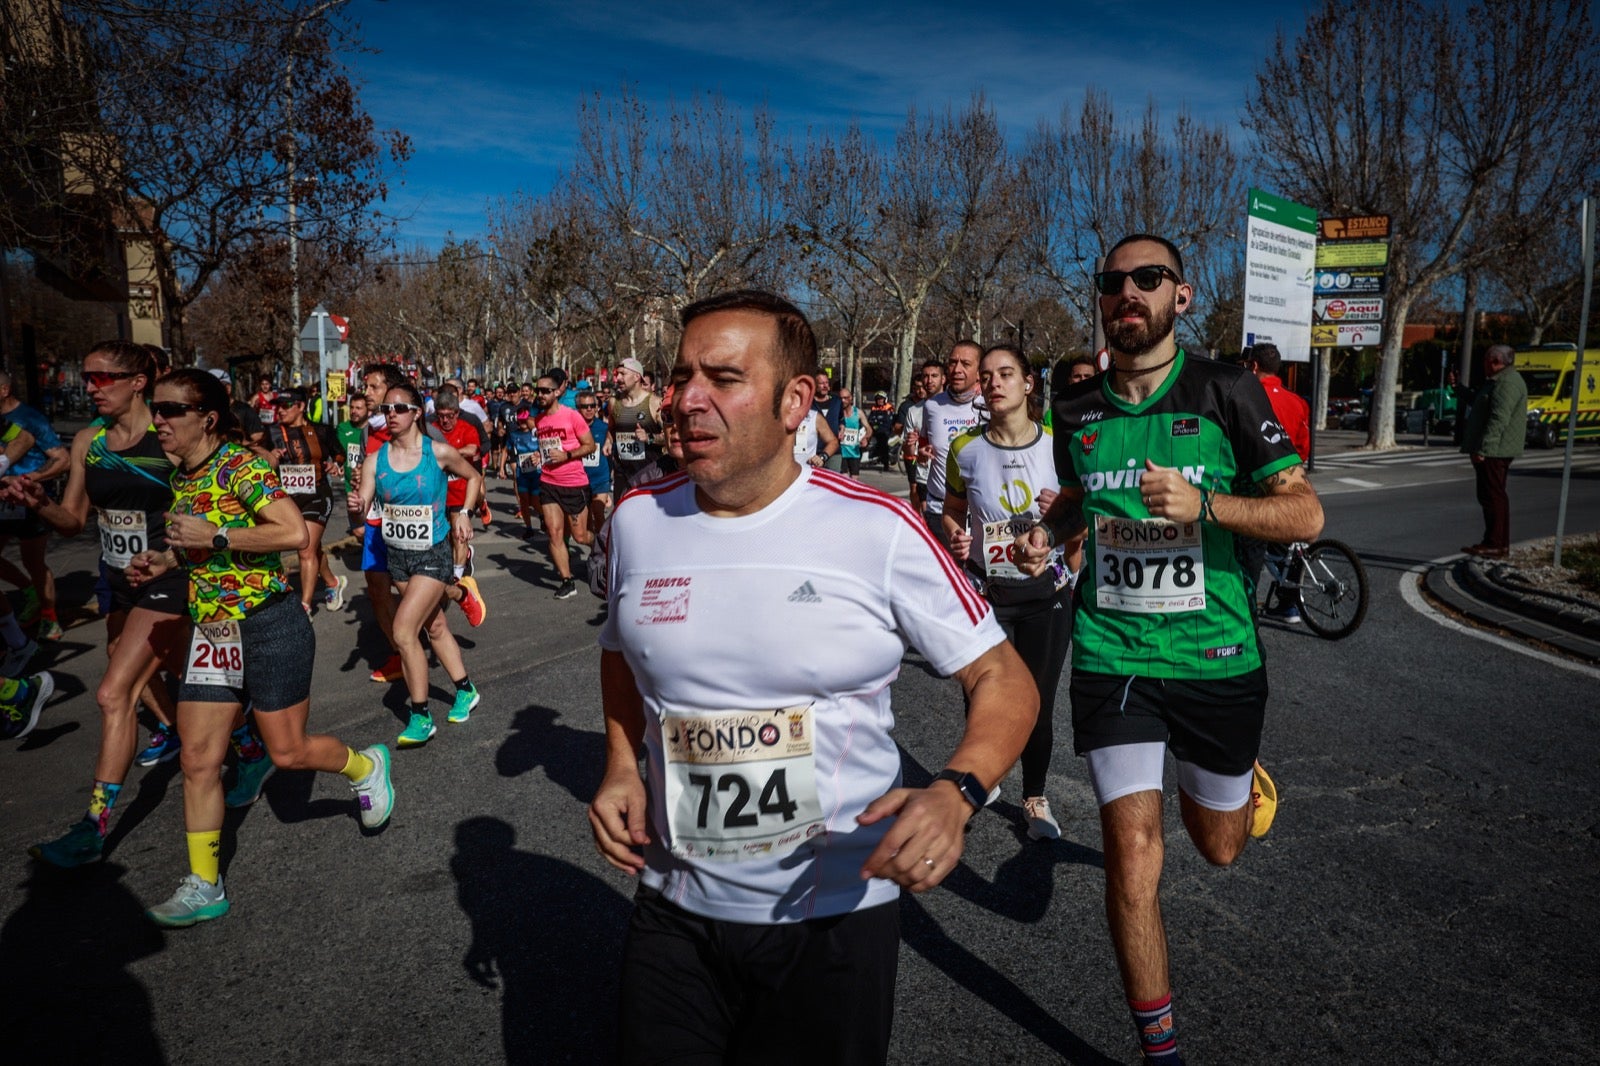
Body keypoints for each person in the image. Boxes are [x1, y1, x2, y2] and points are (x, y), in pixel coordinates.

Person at [588, 289, 1037, 1065]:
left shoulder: (876, 527)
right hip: (674, 907)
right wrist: (621, 765)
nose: (686, 399)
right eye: (681, 375)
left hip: (833, 915)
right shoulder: (636, 520)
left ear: (796, 400)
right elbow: (620, 651)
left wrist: (957, 791)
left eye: (722, 378)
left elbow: (1003, 675)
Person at [1015, 233, 1323, 1066]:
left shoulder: (1225, 390)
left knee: (1218, 847)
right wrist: (1046, 536)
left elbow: (1305, 516)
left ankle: (1236, 781)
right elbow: (1080, 503)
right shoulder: (1076, 410)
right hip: (1114, 655)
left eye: (1148, 280)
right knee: (1132, 852)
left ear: (1180, 297)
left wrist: (1206, 505)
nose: (1128, 294)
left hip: (1217, 656)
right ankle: (1163, 1054)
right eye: (1113, 282)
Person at [123, 368, 393, 926]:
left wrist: (215, 536)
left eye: (171, 410)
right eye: (156, 408)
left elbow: (293, 533)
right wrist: (166, 559)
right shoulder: (183, 477)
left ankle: (364, 766)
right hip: (212, 632)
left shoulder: (241, 466)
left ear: (208, 418)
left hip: (269, 625)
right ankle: (204, 884)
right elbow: (200, 545)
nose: (159, 420)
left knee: (288, 754)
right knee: (198, 760)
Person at [13, 341, 190, 868]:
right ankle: (239, 735)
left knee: (114, 693)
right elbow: (73, 520)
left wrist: (170, 555)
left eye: (102, 378)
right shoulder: (89, 441)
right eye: (86, 378)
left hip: (167, 578)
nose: (91, 387)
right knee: (169, 667)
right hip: (117, 578)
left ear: (138, 381)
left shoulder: (169, 441)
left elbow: (208, 509)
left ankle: (94, 826)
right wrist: (40, 504)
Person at [942, 345, 1076, 842]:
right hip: (987, 592)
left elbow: (1083, 516)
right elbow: (952, 510)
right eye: (987, 375)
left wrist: (1060, 511)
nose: (994, 382)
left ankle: (1035, 797)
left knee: (1035, 701)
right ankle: (982, 779)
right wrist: (955, 533)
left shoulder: (1060, 446)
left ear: (1028, 384)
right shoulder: (966, 450)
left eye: (1006, 373)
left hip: (1047, 592)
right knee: (984, 696)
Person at [348, 380, 484, 747]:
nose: (390, 415)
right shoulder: (375, 461)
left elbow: (473, 477)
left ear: (415, 413)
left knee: (405, 631)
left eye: (398, 409)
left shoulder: (438, 452)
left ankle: (420, 714)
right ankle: (466, 689)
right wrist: (356, 509)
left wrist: (465, 514)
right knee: (434, 626)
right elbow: (363, 506)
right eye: (385, 410)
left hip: (432, 554)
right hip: (399, 557)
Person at [0, 371, 70, 639]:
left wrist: (29, 478)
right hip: (4, 499)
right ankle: (29, 591)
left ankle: (49, 618)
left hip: (30, 500)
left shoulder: (29, 418)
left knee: (33, 560)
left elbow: (62, 458)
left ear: (5, 390)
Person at [266, 388, 346, 614]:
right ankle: (332, 582)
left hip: (317, 495)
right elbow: (259, 459)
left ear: (301, 406)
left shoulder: (320, 430)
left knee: (306, 549)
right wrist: (272, 456)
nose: (280, 410)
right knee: (313, 548)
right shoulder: (270, 431)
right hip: (286, 501)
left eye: (285, 405)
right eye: (277, 406)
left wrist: (335, 465)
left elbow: (339, 454)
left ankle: (305, 606)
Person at [531, 372, 597, 600]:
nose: (540, 395)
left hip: (574, 483)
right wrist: (538, 457)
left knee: (580, 536)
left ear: (557, 392)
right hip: (548, 482)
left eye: (545, 391)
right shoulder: (539, 420)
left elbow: (590, 445)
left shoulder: (571, 416)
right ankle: (567, 581)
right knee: (554, 533)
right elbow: (546, 450)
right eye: (537, 390)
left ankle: (603, 547)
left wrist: (567, 454)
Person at [1459, 343, 1528, 559]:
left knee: (1493, 496)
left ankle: (1495, 544)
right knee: (1491, 495)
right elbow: (1480, 402)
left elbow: (1499, 418)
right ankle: (1496, 543)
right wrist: (1458, 390)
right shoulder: (1498, 381)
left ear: (1495, 362)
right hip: (1495, 449)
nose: (1483, 365)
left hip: (1497, 450)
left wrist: (1485, 448)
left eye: (1486, 360)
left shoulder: (1507, 383)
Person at [921, 342, 982, 541]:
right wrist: (921, 451)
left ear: (980, 372)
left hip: (980, 513)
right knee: (942, 572)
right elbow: (923, 444)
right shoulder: (932, 406)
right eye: (953, 363)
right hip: (939, 509)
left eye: (965, 364)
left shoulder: (990, 406)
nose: (957, 369)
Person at [1245, 343, 1311, 463]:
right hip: (1288, 470)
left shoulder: (1244, 397)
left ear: (1254, 366)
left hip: (1254, 473)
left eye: (1247, 365)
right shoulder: (1298, 402)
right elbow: (1303, 448)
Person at [609, 357, 665, 493]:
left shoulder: (654, 403)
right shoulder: (613, 403)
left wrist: (649, 438)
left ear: (636, 376)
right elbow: (611, 431)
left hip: (649, 474)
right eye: (617, 374)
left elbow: (670, 437)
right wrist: (607, 442)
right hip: (622, 474)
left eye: (623, 374)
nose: (618, 379)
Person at [577, 390, 613, 534]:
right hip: (580, 480)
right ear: (578, 408)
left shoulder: (604, 429)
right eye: (585, 406)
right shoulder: (574, 429)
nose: (589, 409)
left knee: (598, 513)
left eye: (593, 405)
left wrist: (610, 477)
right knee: (585, 524)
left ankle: (603, 548)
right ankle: (594, 548)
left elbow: (611, 454)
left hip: (600, 479)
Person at [336, 393, 370, 539]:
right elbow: (338, 453)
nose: (354, 411)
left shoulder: (372, 430)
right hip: (352, 488)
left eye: (359, 408)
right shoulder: (342, 429)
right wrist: (337, 464)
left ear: (368, 410)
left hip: (371, 487)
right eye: (352, 407)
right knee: (358, 531)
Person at [836, 386, 872, 479]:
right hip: (841, 452)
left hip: (854, 452)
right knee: (843, 478)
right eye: (841, 398)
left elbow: (869, 429)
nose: (843, 401)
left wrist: (865, 438)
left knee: (854, 480)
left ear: (851, 398)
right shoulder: (836, 413)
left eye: (846, 398)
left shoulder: (858, 413)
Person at [811, 370, 844, 471]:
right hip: (814, 452)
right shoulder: (809, 403)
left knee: (833, 484)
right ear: (815, 385)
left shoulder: (836, 401)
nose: (825, 386)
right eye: (821, 383)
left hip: (834, 452)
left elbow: (841, 419)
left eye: (826, 383)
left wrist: (842, 427)